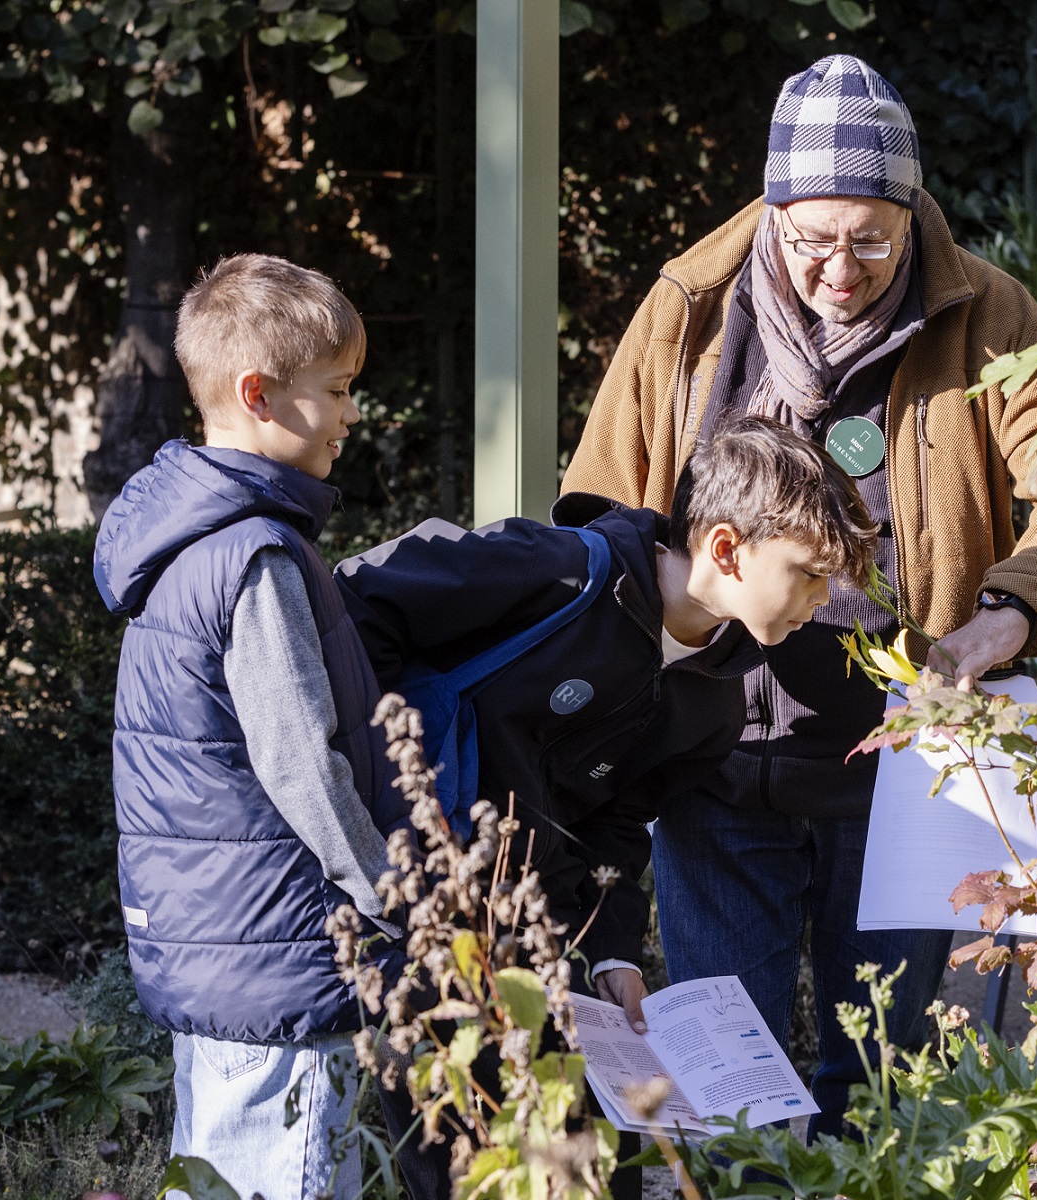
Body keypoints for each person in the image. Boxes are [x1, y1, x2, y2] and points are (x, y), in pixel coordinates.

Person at [562, 54, 1037, 1136]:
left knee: (878, 1076)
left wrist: (1010, 612)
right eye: (813, 240)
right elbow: (600, 504)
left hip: (901, 766)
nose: (840, 269)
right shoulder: (689, 311)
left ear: (913, 214)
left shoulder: (988, 313)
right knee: (725, 1082)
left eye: (872, 242)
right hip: (711, 759)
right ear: (774, 211)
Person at [333, 415, 877, 1198]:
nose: (823, 601)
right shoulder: (553, 570)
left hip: (552, 948)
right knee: (468, 1173)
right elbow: (355, 605)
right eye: (809, 573)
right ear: (726, 548)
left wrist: (617, 954)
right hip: (427, 922)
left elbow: (622, 823)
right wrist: (381, 792)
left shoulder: (718, 702)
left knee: (600, 1176)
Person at [93, 254, 408, 1200]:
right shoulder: (255, 557)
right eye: (339, 389)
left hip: (221, 948)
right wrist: (391, 898)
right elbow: (300, 763)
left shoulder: (185, 545)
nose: (353, 414)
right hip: (282, 954)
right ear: (259, 394)